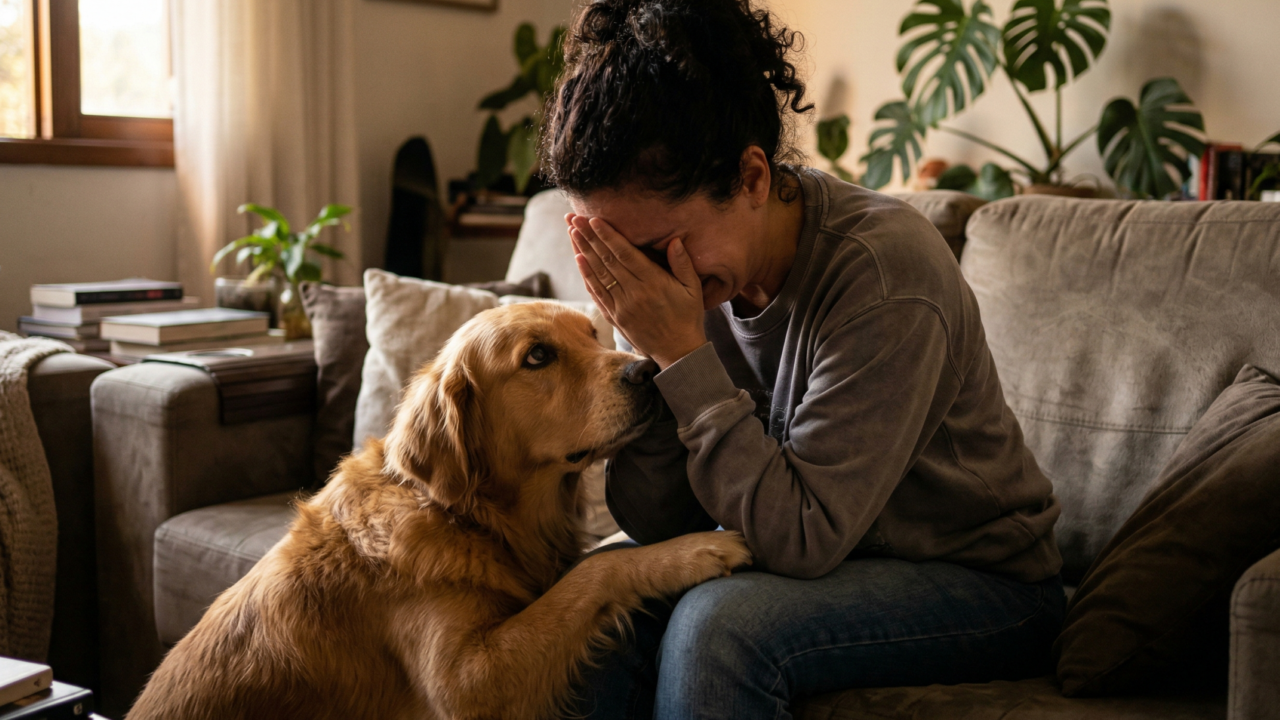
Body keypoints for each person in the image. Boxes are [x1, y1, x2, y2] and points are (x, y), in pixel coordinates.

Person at [538, 1, 1066, 717]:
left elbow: (804, 536)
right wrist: (652, 358)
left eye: (658, 248)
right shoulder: (692, 283)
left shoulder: (885, 274)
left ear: (753, 178)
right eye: (620, 255)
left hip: (983, 580)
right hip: (823, 555)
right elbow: (660, 520)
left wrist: (683, 354)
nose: (650, 281)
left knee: (721, 629)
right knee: (589, 599)